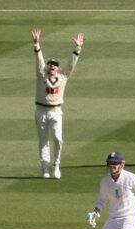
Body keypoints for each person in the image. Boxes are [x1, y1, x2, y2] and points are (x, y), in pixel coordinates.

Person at [31, 28, 85, 180]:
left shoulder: (63, 77)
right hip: (41, 111)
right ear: (47, 67)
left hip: (56, 112)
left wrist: (78, 48)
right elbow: (39, 61)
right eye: (50, 65)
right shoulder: (41, 75)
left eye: (55, 65)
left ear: (58, 68)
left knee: (57, 138)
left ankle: (56, 165)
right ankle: (44, 167)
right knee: (43, 141)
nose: (52, 67)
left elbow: (71, 65)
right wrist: (37, 45)